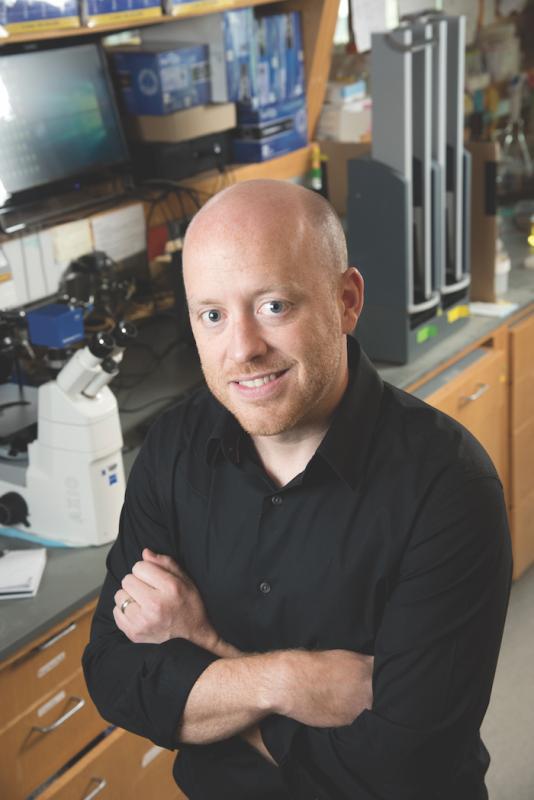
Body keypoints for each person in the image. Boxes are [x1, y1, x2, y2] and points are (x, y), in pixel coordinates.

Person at [83, 180, 512, 800]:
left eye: (274, 305)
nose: (244, 349)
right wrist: (285, 680)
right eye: (213, 315)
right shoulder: (174, 448)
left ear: (347, 300)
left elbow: (401, 768)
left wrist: (200, 656)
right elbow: (117, 676)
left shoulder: (448, 487)